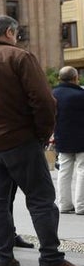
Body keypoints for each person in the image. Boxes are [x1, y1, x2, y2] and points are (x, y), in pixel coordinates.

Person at [0, 14, 84, 266]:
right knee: (41, 200)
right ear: (9, 32)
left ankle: (3, 257)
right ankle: (51, 258)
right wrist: (40, 135)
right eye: (15, 34)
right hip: (20, 140)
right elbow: (44, 101)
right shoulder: (19, 57)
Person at [53, 66, 84, 214]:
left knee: (64, 171)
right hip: (81, 139)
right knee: (82, 170)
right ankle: (81, 206)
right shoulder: (81, 95)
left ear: (60, 78)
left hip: (62, 138)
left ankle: (64, 205)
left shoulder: (53, 94)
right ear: (75, 78)